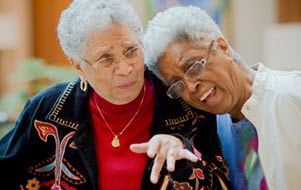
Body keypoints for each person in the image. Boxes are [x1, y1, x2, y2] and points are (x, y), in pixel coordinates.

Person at [0, 1, 231, 189]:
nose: (125, 69)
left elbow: (223, 182)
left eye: (131, 51)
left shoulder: (183, 103)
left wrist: (185, 154)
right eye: (106, 59)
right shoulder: (48, 111)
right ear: (79, 66)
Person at [143, 5, 301, 190]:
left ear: (223, 47)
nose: (191, 87)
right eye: (177, 84)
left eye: (193, 67)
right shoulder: (211, 130)